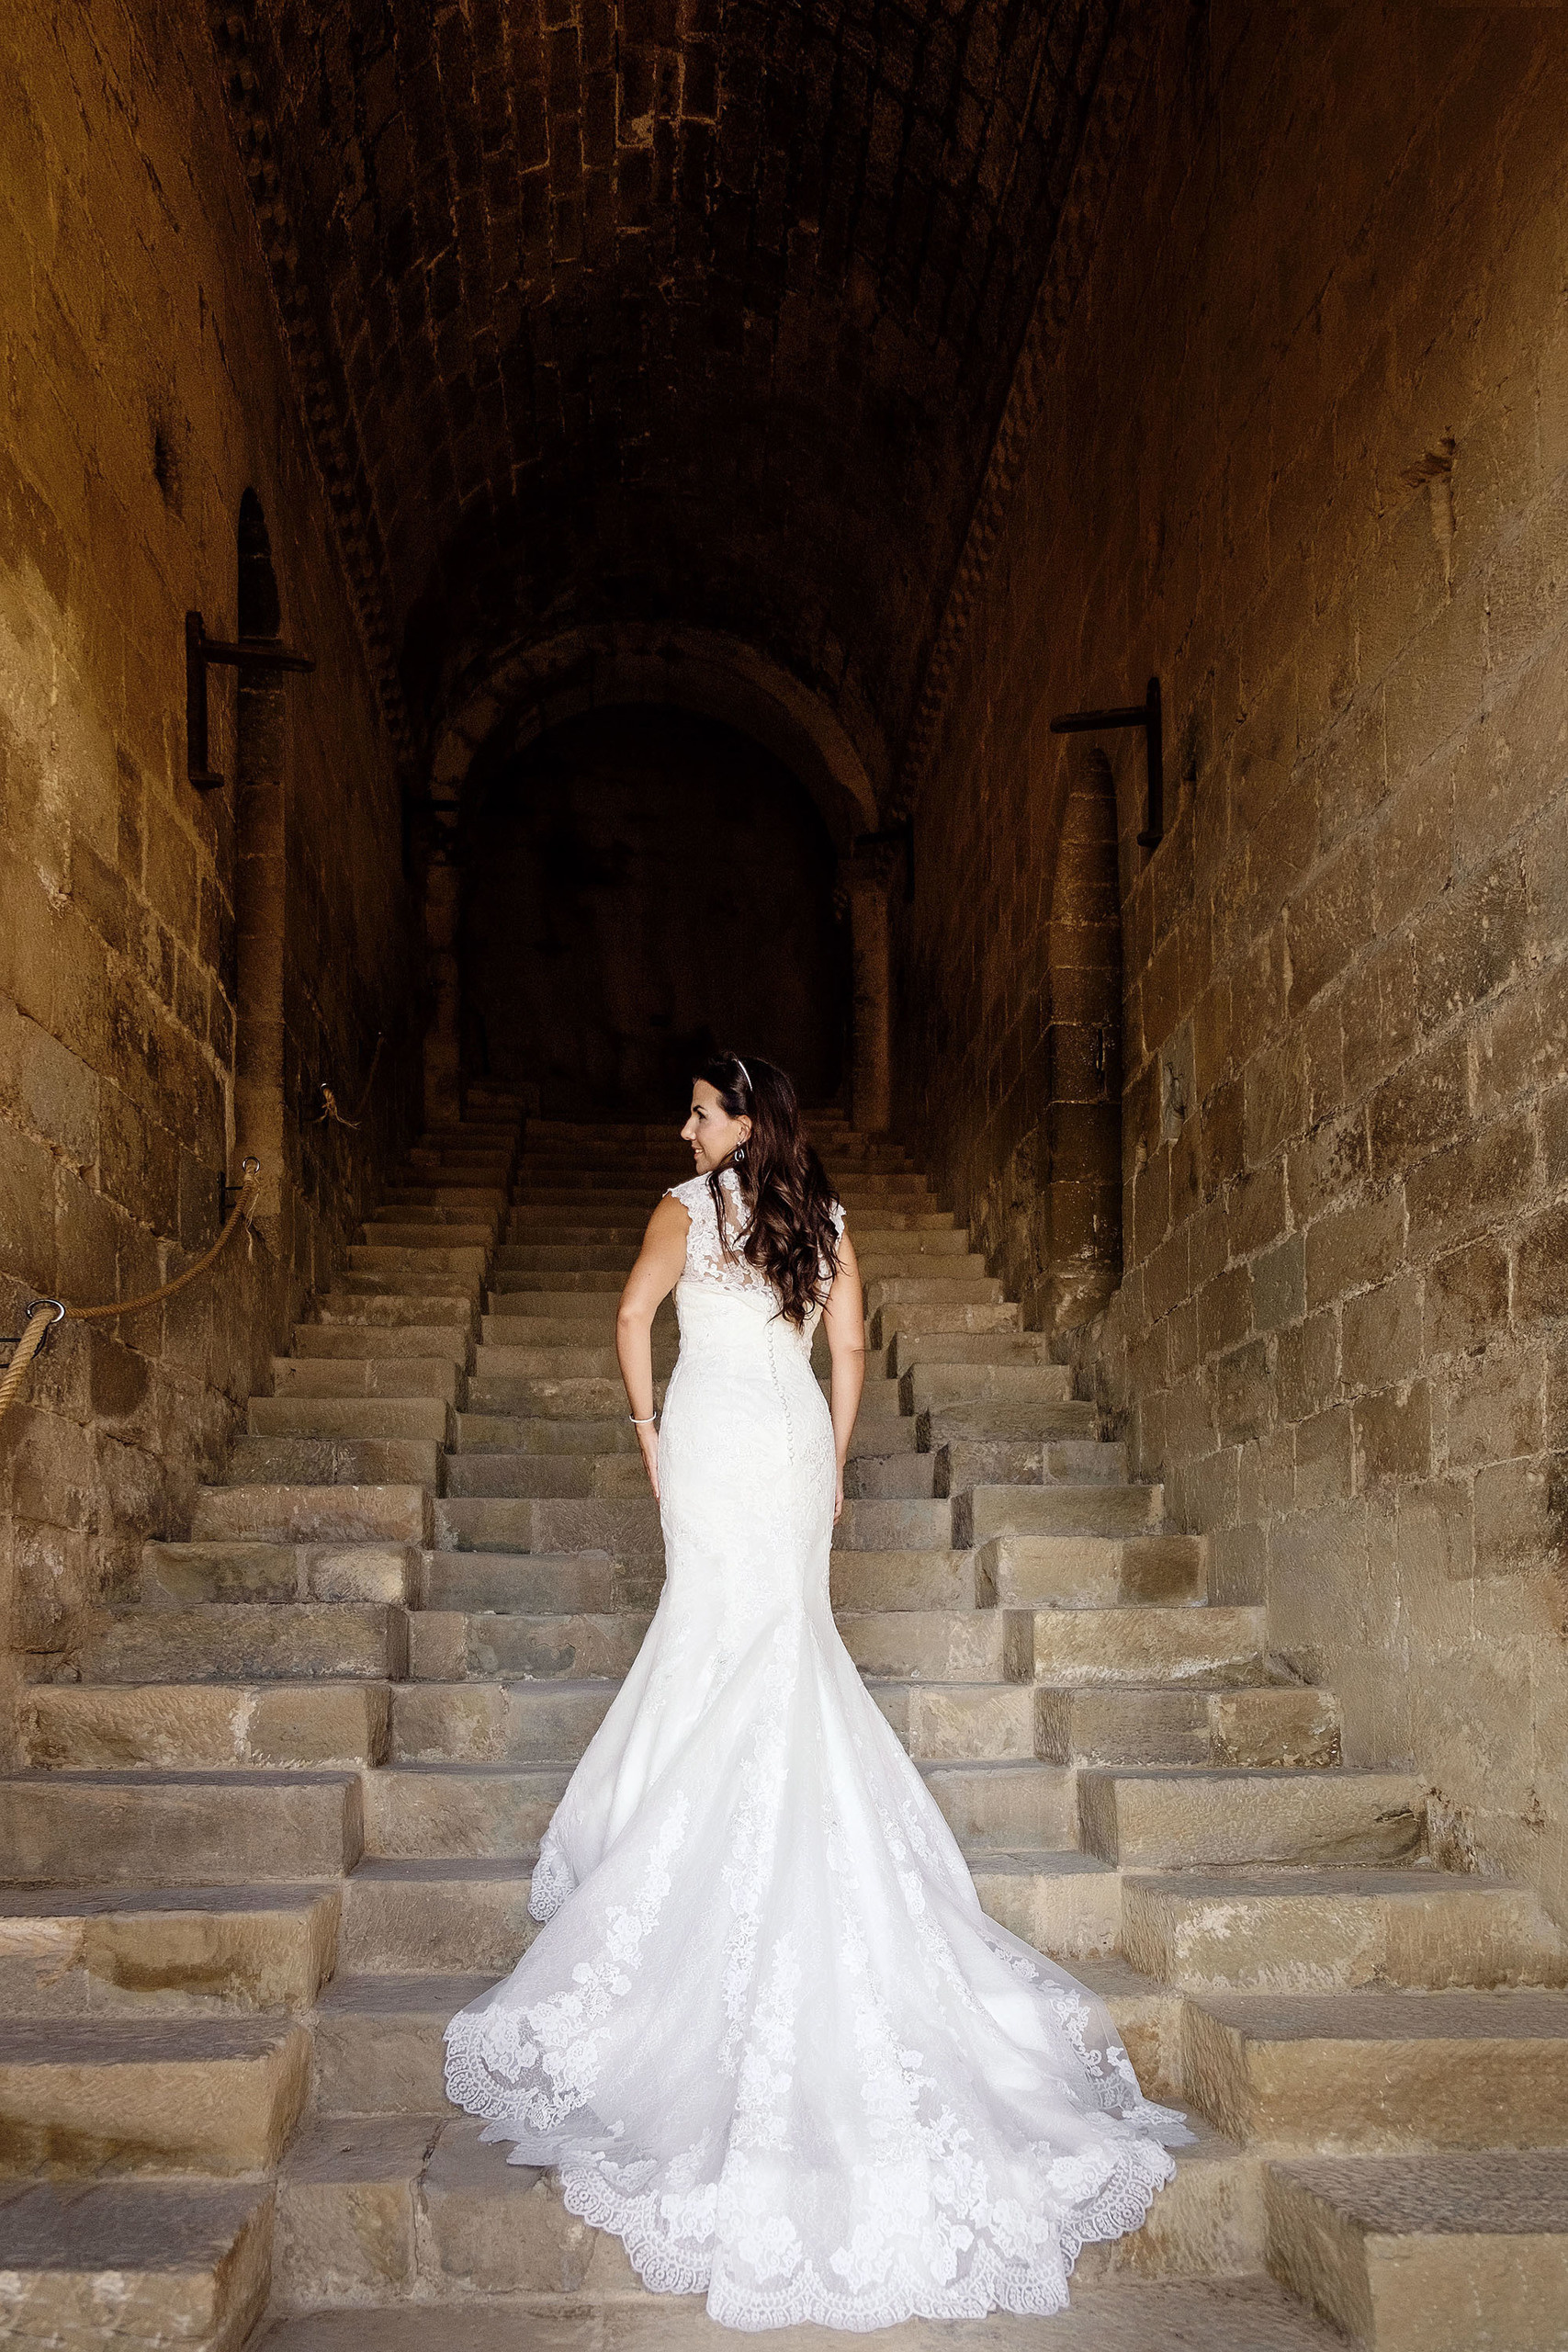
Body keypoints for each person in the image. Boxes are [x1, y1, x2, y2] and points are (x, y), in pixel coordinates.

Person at [445, 1051, 1187, 2330]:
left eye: (699, 1111)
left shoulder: (685, 1215)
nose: (683, 1129)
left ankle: (687, 1859)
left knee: (713, 1638)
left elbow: (631, 1322)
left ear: (743, 1122)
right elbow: (851, 1354)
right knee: (780, 1646)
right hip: (785, 1445)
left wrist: (646, 1435)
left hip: (716, 1443)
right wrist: (833, 1470)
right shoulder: (826, 1219)